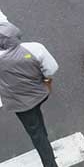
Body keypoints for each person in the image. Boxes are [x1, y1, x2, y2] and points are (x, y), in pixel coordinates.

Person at [0, 15, 60, 167]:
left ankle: (50, 164)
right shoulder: (35, 48)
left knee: (36, 133)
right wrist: (47, 84)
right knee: (37, 118)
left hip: (19, 104)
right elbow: (51, 69)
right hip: (40, 94)